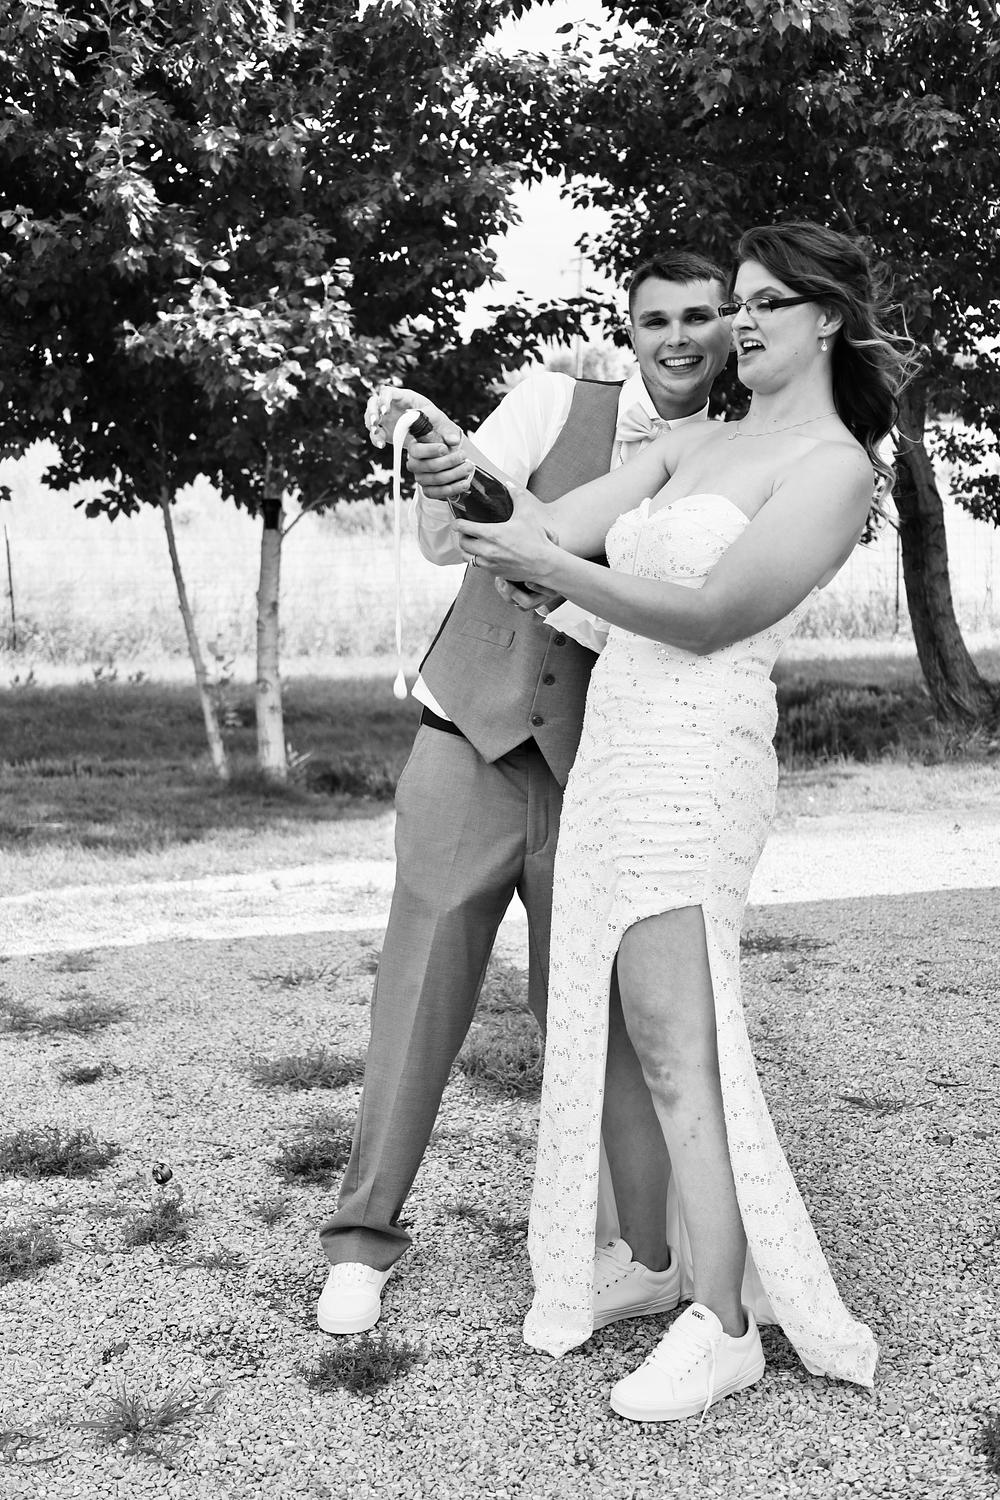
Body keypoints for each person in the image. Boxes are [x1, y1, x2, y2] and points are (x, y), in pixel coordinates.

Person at [448, 221, 916, 1420]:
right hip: (617, 743)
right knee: (604, 1018)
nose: (738, 323)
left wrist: (559, 575)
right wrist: (462, 468)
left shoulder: (834, 467)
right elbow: (548, 527)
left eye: (765, 303)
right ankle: (654, 1265)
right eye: (735, 302)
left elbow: (710, 616)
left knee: (673, 1040)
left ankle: (727, 1324)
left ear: (826, 319)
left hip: (698, 756)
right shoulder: (696, 439)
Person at [316, 252, 734, 1336]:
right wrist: (446, 466)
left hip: (605, 763)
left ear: (731, 327)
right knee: (419, 988)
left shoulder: (732, 455)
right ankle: (361, 1242)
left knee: (596, 1011)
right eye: (655, 319)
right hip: (470, 733)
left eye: (699, 317)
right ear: (628, 328)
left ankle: (632, 1245)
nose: (677, 338)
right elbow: (444, 537)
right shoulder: (555, 398)